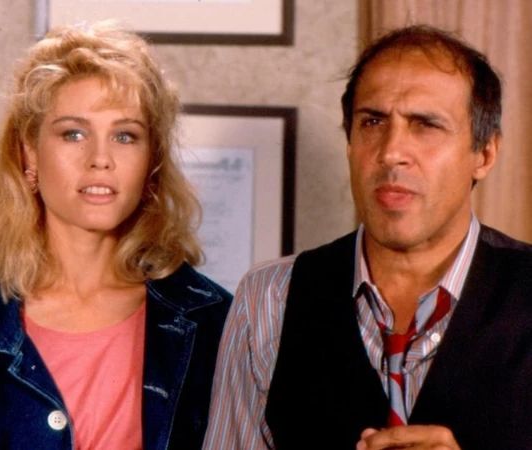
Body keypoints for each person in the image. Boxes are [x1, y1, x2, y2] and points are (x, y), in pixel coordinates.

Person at [203, 25, 532, 450]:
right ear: (350, 142)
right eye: (373, 122)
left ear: (484, 154)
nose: (391, 151)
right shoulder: (267, 300)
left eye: (426, 125)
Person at [0, 23, 232, 450]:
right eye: (73, 133)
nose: (100, 159)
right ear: (29, 151)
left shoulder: (215, 323)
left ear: (151, 161)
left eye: (125, 136)